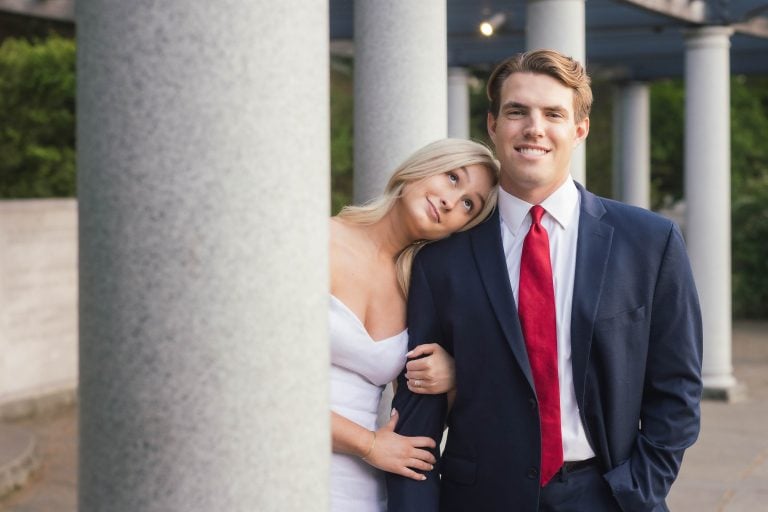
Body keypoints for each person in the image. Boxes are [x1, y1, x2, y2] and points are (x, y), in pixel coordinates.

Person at [387, 49, 703, 512]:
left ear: (579, 129)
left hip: (608, 495)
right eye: (517, 112)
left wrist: (636, 490)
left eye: (553, 113)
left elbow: (677, 388)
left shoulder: (650, 243)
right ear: (493, 124)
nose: (534, 128)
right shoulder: (441, 262)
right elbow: (417, 422)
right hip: (479, 500)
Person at [330, 138, 500, 512]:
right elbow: (266, 386)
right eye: (453, 178)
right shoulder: (319, 241)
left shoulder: (420, 292)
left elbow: (442, 412)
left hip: (365, 492)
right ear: (418, 169)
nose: (450, 201)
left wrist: (455, 374)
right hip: (284, 466)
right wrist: (369, 444)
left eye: (469, 205)